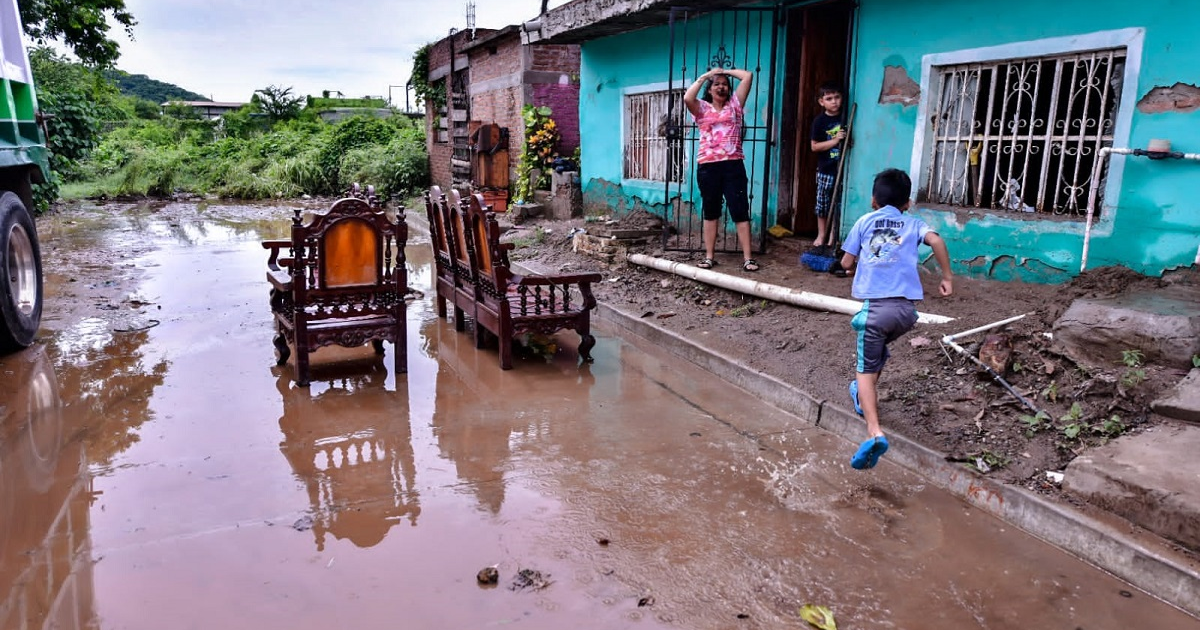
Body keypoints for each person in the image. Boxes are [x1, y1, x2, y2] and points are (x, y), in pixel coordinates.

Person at [839, 168, 953, 470]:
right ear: (908, 203)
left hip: (876, 310)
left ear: (874, 200)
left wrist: (851, 266)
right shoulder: (913, 222)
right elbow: (938, 242)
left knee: (864, 368)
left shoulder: (864, 221)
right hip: (906, 313)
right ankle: (861, 395)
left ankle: (874, 432)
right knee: (877, 353)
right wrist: (947, 277)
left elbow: (846, 261)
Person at [683, 67, 759, 272]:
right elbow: (687, 97)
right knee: (711, 211)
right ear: (710, 89)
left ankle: (748, 259)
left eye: (724, 84)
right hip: (708, 166)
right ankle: (709, 257)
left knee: (740, 210)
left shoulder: (735, 104)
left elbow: (748, 76)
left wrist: (723, 71)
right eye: (717, 84)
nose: (721, 86)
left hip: (733, 165)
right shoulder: (701, 108)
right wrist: (706, 76)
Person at [809, 83, 846, 249]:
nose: (834, 102)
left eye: (837, 97)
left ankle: (833, 237)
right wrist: (835, 140)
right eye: (829, 99)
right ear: (821, 102)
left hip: (841, 169)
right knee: (823, 204)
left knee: (836, 204)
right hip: (825, 169)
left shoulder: (844, 118)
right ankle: (821, 235)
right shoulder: (820, 121)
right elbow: (814, 146)